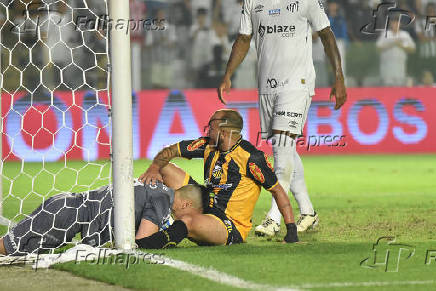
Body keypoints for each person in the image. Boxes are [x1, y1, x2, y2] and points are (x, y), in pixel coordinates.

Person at [217, 0, 347, 236]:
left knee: (282, 148)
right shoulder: (252, 2)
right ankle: (308, 212)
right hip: (267, 86)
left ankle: (274, 217)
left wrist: (339, 77)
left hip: (297, 83)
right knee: (283, 147)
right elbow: (244, 39)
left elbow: (326, 35)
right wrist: (228, 75)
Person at [138, 109, 299, 249]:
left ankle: (144, 244)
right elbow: (171, 150)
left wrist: (291, 231)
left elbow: (277, 190)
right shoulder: (209, 145)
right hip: (204, 204)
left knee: (187, 221)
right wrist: (154, 169)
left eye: (211, 126)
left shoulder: (252, 157)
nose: (207, 130)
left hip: (228, 225)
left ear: (223, 130)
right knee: (164, 167)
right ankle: (145, 213)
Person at [0, 182, 203, 256]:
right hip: (67, 217)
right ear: (187, 205)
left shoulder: (158, 188)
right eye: (195, 214)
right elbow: (142, 242)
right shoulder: (163, 200)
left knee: (11, 250)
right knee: (5, 248)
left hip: (65, 209)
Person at [376, 16, 416, 86]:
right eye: (393, 23)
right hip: (387, 66)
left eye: (397, 23)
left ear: (400, 24)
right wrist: (392, 43)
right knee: (388, 86)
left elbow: (412, 49)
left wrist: (400, 45)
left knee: (400, 86)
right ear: (391, 24)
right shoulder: (385, 34)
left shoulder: (405, 35)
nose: (395, 24)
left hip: (400, 65)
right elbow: (378, 48)